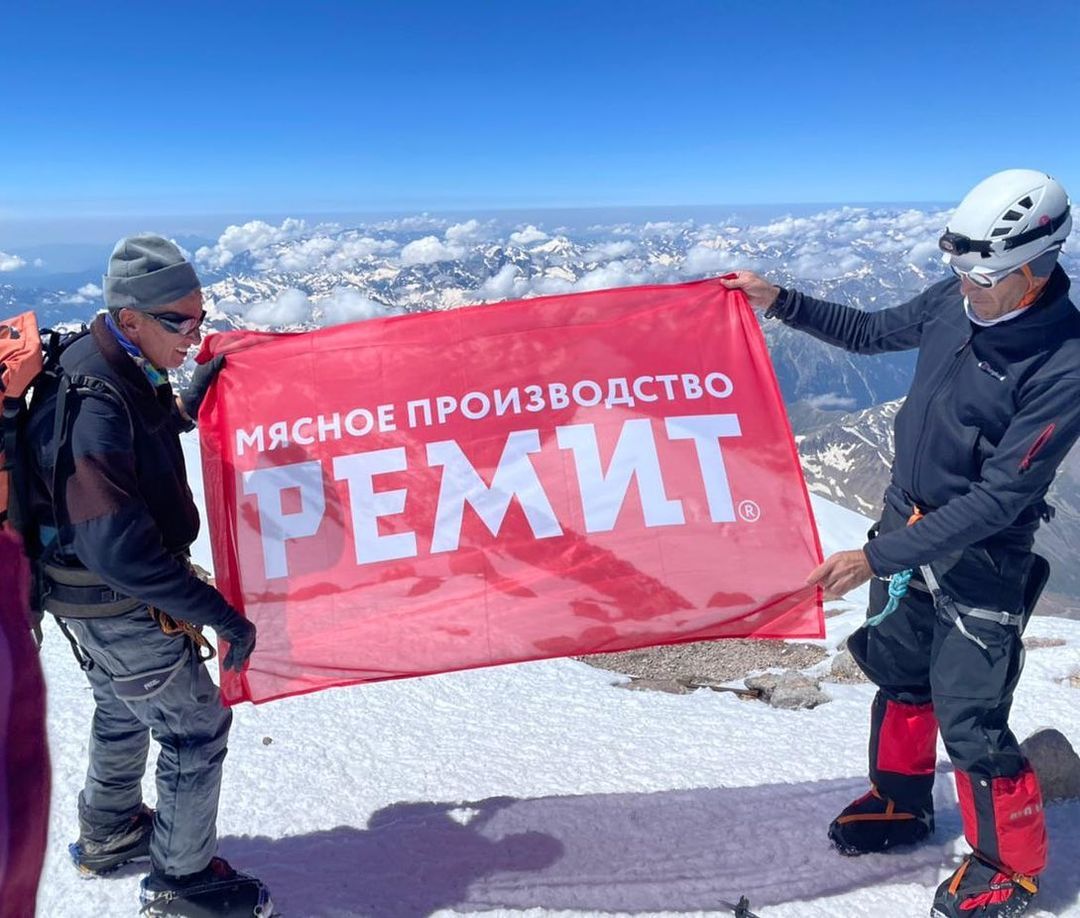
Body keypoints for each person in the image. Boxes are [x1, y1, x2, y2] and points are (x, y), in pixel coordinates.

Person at [721, 169, 1078, 918]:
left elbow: (1002, 498)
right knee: (901, 671)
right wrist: (779, 301)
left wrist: (874, 558)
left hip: (981, 554)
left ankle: (1010, 871)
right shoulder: (960, 301)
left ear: (1034, 269)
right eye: (958, 270)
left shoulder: (1063, 362)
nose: (964, 290)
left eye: (981, 278)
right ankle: (901, 802)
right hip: (906, 524)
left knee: (971, 715)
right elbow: (872, 331)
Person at [30, 235, 271, 917]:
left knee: (119, 704)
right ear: (130, 317)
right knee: (197, 731)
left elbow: (146, 435)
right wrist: (221, 614)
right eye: (178, 321)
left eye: (199, 316)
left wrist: (189, 398)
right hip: (114, 598)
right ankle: (182, 881)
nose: (193, 333)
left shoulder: (115, 360)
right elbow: (118, 547)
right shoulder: (97, 395)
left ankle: (108, 832)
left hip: (81, 597)